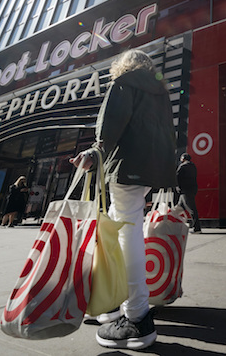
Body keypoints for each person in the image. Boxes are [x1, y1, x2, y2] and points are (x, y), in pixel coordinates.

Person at [70, 49, 176, 350]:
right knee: (126, 232)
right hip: (151, 169)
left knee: (126, 235)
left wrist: (95, 152)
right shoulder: (160, 93)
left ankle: (136, 317)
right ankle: (115, 306)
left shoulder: (124, 83)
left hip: (127, 167)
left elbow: (111, 125)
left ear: (123, 65)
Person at [177, 153, 201, 233]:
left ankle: (197, 228)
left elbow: (177, 177)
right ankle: (176, 225)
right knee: (178, 209)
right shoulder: (193, 166)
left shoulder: (183, 166)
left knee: (191, 209)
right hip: (192, 189)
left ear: (183, 159)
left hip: (185, 190)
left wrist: (177, 187)